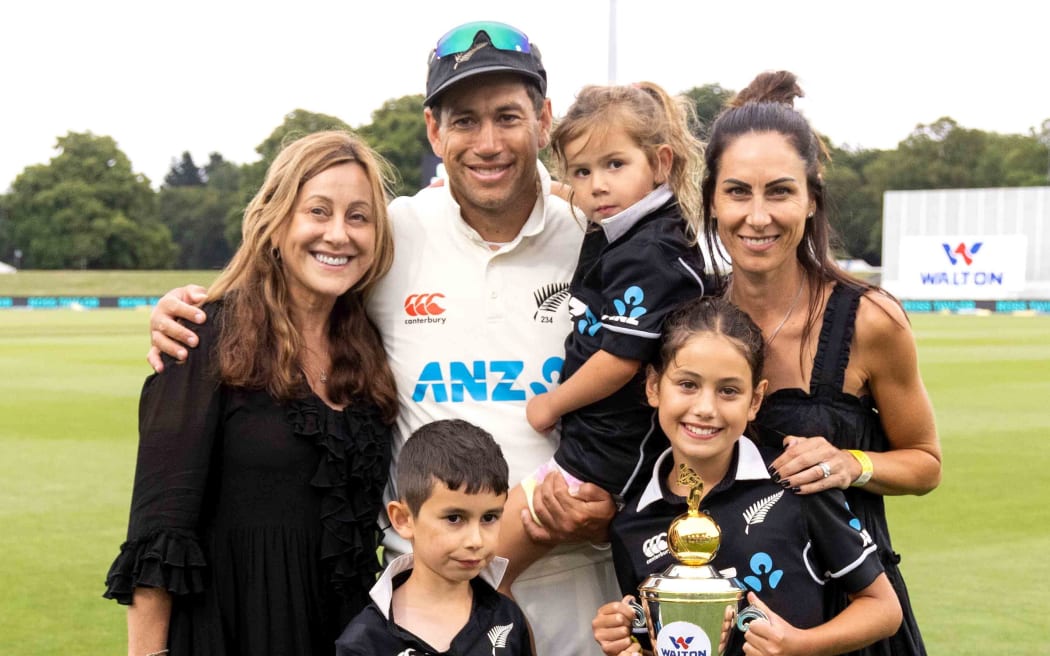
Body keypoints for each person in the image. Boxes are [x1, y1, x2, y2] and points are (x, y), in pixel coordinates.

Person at [144, 21, 620, 655]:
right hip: (421, 610)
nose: (488, 143)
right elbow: (298, 270)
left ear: (543, 119)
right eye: (464, 121)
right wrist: (193, 312)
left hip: (577, 597)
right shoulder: (393, 234)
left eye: (508, 117)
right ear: (433, 131)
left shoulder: (601, 239)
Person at [104, 131, 398, 655]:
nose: (338, 234)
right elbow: (159, 530)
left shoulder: (369, 351)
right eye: (318, 211)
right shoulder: (202, 337)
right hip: (234, 630)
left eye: (359, 217)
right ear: (277, 221)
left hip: (347, 637)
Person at [698, 70, 941, 655]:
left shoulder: (870, 320)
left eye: (779, 191)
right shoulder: (688, 320)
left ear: (811, 199)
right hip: (729, 620)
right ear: (710, 199)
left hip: (856, 619)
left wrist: (851, 462)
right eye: (738, 192)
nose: (758, 217)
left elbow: (925, 463)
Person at [592, 296, 903, 656]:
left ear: (755, 400)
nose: (705, 409)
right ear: (653, 386)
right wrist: (624, 643)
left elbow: (883, 608)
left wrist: (799, 645)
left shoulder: (798, 482)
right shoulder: (632, 522)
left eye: (728, 391)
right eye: (688, 385)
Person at [498, 81, 714, 595]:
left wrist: (551, 405)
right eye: (582, 170)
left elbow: (620, 358)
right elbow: (584, 191)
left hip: (605, 456)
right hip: (598, 446)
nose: (596, 186)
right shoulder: (627, 219)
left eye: (615, 165)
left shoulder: (653, 251)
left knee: (486, 574)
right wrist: (550, 188)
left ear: (661, 163)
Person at [336, 419, 533, 655]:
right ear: (403, 519)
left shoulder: (508, 618)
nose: (476, 540)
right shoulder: (365, 642)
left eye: (489, 517)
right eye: (454, 518)